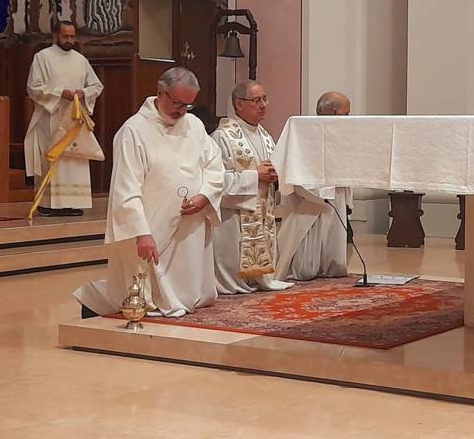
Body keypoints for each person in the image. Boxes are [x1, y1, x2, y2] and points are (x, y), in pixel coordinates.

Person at [74, 67, 228, 317]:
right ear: (160, 92)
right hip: (153, 223)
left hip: (189, 223)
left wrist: (205, 195)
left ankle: (182, 299)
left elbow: (215, 164)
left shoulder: (195, 125)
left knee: (186, 290)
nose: (182, 111)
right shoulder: (134, 130)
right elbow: (125, 186)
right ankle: (93, 301)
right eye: (177, 103)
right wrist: (141, 233)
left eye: (188, 105)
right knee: (140, 289)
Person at [210, 80, 293, 293]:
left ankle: (258, 278)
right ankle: (235, 282)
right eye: (256, 100)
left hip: (262, 210)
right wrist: (256, 175)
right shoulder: (222, 137)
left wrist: (275, 175)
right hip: (234, 215)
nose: (263, 105)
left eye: (265, 99)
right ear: (239, 104)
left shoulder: (265, 137)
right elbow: (216, 180)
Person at [24, 20, 104, 216]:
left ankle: (72, 202)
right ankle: (47, 204)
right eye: (65, 36)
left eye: (72, 36)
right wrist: (60, 93)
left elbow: (97, 86)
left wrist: (84, 92)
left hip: (74, 119)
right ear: (55, 36)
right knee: (52, 158)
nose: (69, 40)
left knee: (74, 160)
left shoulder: (80, 60)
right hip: (51, 117)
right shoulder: (42, 57)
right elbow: (33, 87)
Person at [275, 92, 352, 281]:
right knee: (305, 265)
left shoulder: (342, 135)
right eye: (346, 113)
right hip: (311, 197)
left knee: (333, 251)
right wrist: (319, 191)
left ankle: (329, 266)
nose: (349, 118)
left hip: (335, 192)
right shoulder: (304, 133)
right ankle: (305, 268)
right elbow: (295, 167)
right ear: (335, 113)